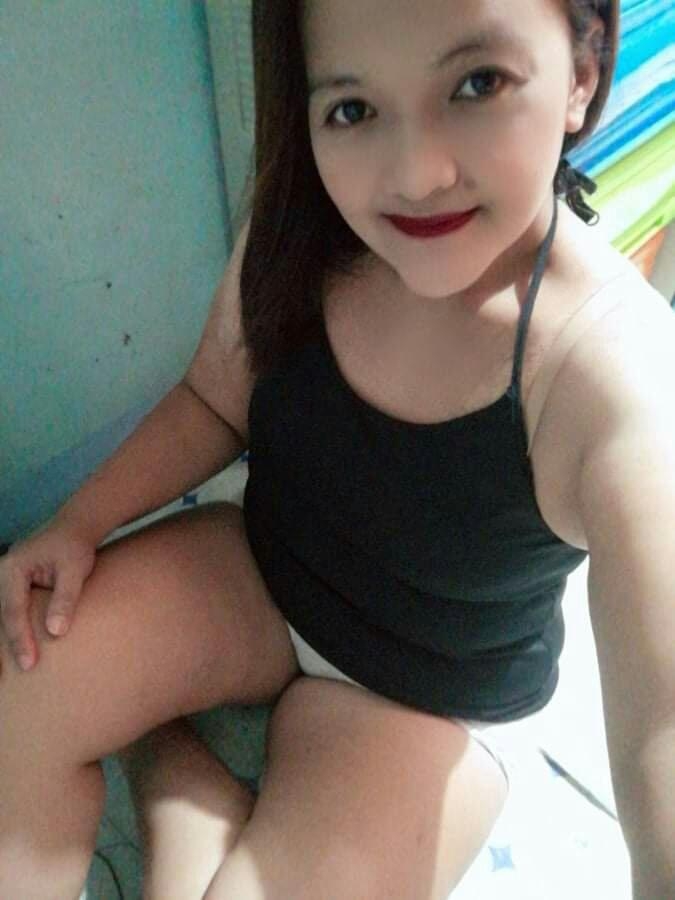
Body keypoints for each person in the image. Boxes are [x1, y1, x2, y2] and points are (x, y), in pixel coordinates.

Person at [0, 0, 673, 897]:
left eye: (478, 84)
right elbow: (212, 400)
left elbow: (661, 732)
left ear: (581, 73)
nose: (415, 174)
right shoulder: (308, 231)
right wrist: (77, 523)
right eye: (353, 109)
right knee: (22, 687)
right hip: (262, 573)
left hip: (424, 700)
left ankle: (180, 788)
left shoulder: (611, 367)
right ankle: (184, 794)